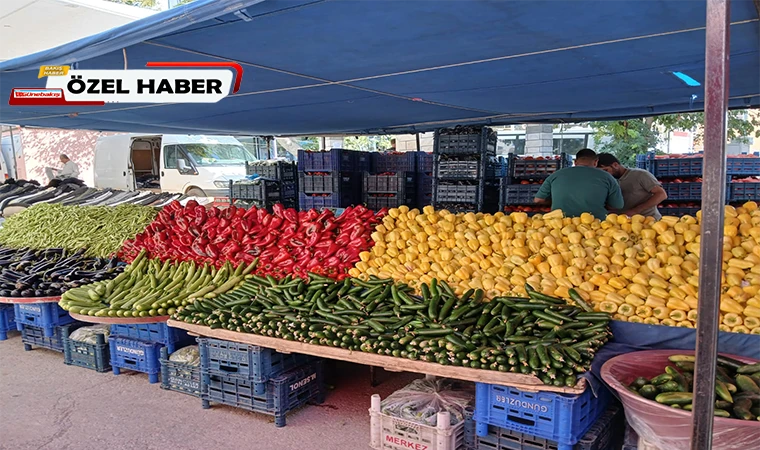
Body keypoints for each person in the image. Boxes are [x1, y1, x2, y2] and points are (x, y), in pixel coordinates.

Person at [533, 148, 624, 219]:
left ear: (575, 162)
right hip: (595, 225)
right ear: (596, 162)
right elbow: (617, 206)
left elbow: (538, 200)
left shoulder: (556, 175)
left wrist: (555, 200)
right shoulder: (608, 177)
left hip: (561, 224)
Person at [596, 153, 668, 219]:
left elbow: (661, 194)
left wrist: (635, 210)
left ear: (615, 165)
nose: (604, 175)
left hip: (648, 221)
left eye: (605, 170)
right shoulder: (605, 181)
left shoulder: (641, 175)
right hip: (621, 223)